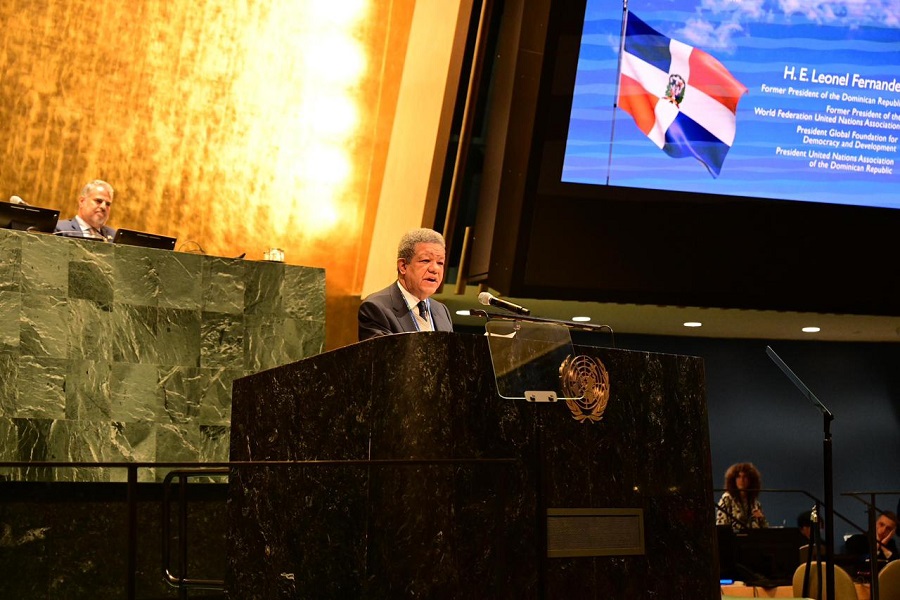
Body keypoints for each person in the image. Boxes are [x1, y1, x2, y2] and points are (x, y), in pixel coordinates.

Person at [358, 228, 454, 341]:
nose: (434, 269)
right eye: (426, 260)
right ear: (403, 266)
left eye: (440, 262)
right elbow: (386, 357)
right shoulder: (376, 307)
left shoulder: (442, 310)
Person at [716, 462, 769, 531]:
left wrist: (761, 518)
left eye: (745, 477)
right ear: (733, 480)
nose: (742, 480)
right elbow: (721, 526)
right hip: (734, 540)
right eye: (738, 477)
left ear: (750, 480)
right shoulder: (727, 499)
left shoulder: (755, 503)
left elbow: (765, 530)